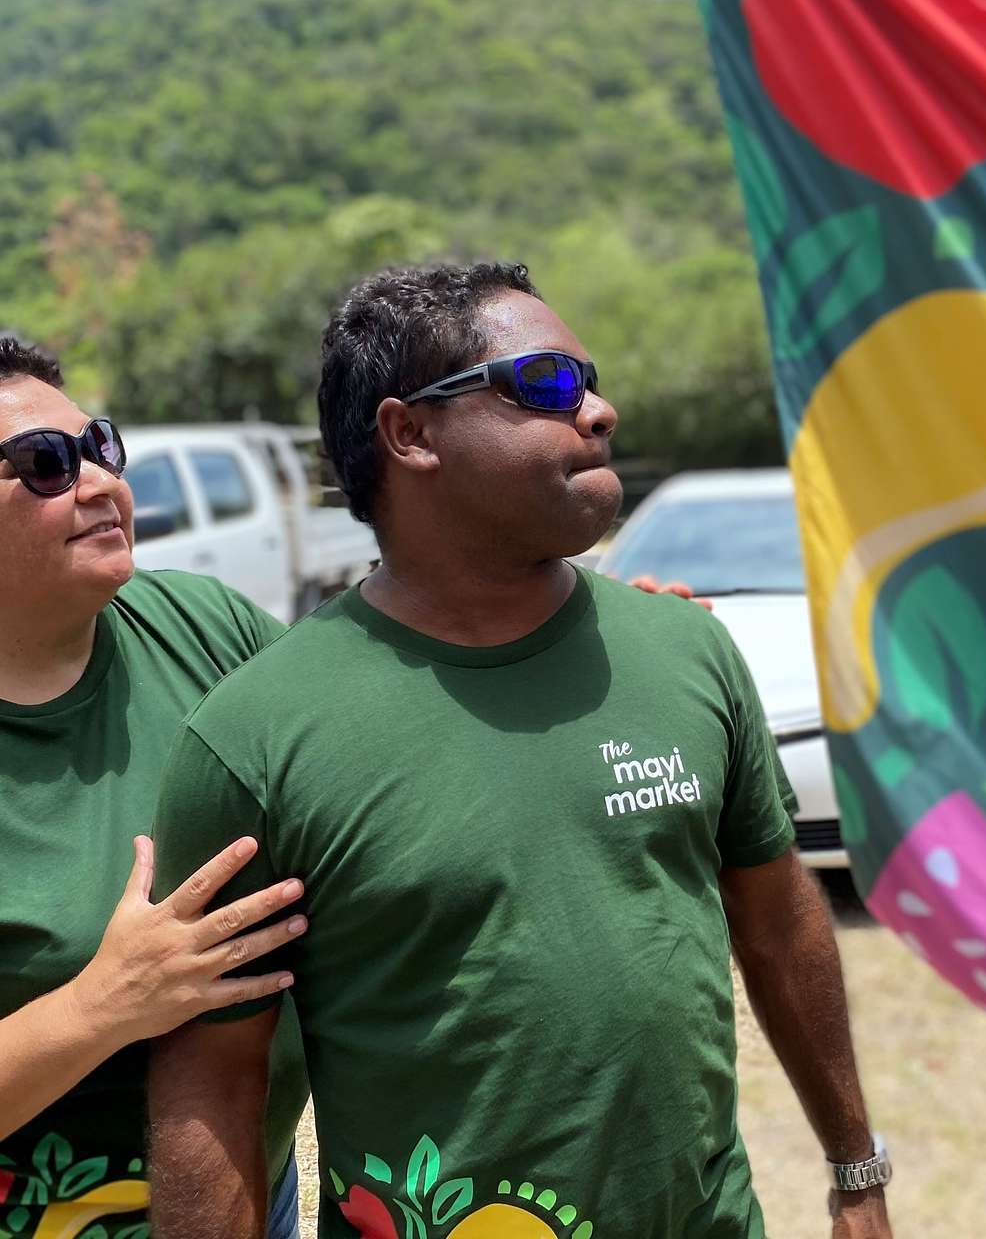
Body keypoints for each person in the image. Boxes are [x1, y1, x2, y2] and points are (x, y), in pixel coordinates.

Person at [146, 261, 895, 1239]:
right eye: (545, 383)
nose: (598, 410)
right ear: (409, 432)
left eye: (588, 379)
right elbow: (216, 1084)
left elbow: (779, 920)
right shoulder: (256, 738)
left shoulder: (687, 648)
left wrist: (856, 1169)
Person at [0, 336, 310, 1239]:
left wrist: (593, 666)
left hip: (243, 1196)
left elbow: (392, 741)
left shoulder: (208, 629)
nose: (99, 482)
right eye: (46, 465)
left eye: (99, 446)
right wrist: (107, 1004)